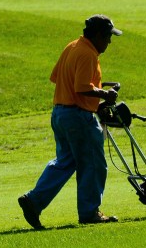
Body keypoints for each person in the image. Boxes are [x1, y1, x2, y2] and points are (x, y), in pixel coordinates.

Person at [18, 15, 123, 229]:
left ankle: (34, 200)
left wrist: (96, 92)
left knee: (65, 162)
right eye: (107, 37)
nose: (109, 42)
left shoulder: (72, 47)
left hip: (60, 113)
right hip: (78, 116)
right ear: (96, 35)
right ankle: (89, 212)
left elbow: (58, 78)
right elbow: (81, 86)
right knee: (93, 164)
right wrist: (105, 95)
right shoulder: (88, 54)